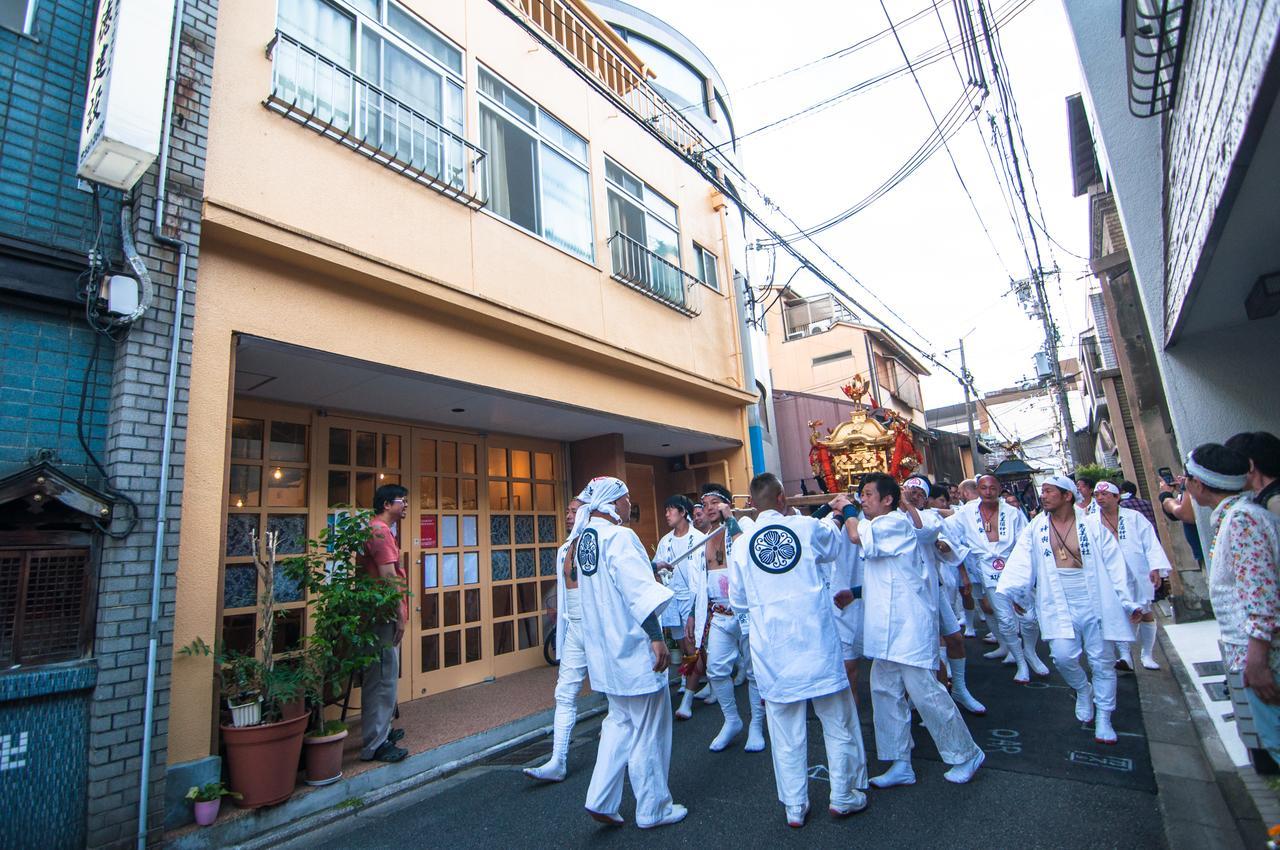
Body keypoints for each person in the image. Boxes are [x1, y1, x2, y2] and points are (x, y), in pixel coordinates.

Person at [726, 473, 869, 826]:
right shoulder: (804, 527)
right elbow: (834, 547)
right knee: (837, 720)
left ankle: (794, 805)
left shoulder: (741, 545)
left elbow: (738, 600)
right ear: (781, 499)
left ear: (753, 505)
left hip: (773, 650)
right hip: (815, 643)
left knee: (785, 730)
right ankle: (844, 795)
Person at [838, 474, 984, 790]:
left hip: (909, 625)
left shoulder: (892, 523)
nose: (862, 499)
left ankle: (966, 754)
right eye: (860, 495)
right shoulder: (886, 524)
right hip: (886, 627)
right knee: (884, 692)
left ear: (887, 500)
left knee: (926, 693)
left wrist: (846, 510)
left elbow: (855, 536)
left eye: (867, 494)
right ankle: (900, 762)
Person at [569, 476, 686, 829]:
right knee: (649, 727)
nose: (628, 504)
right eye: (625, 498)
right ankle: (653, 808)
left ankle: (601, 799)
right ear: (611, 502)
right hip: (632, 649)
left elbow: (612, 581)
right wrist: (656, 637)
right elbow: (637, 593)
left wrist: (647, 569)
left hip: (605, 652)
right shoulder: (620, 536)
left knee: (619, 722)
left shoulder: (585, 537)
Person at [996, 475, 1141, 744]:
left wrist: (1128, 601)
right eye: (1044, 491)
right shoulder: (1037, 527)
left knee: (1102, 661)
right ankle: (1083, 690)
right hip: (1057, 598)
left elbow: (1115, 564)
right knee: (1062, 657)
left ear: (1067, 496)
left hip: (1095, 598)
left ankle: (1105, 717)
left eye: (1050, 491)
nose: (1044, 496)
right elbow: (1020, 562)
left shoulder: (1092, 525)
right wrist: (1017, 591)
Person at [1186, 443, 1280, 765]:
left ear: (1198, 484)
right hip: (1255, 649)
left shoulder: (1241, 520)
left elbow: (1260, 595)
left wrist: (1257, 661)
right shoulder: (1238, 514)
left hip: (1265, 653)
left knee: (1275, 739)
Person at [686, 483, 765, 752]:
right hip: (718, 613)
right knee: (716, 669)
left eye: (713, 502)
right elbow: (700, 582)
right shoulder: (703, 538)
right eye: (703, 503)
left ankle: (756, 723)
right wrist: (693, 616)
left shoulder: (741, 525)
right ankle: (732, 720)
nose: (707, 507)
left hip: (744, 612)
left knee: (755, 672)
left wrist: (730, 518)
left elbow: (746, 548)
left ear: (726, 504)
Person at [901, 477, 985, 715]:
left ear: (925, 498)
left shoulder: (930, 516)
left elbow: (935, 535)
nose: (914, 496)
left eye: (919, 493)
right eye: (910, 491)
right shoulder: (893, 518)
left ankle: (958, 687)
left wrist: (945, 546)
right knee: (919, 647)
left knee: (955, 639)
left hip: (932, 588)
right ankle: (920, 699)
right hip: (906, 592)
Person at [952, 474, 1045, 683]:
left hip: (1014, 568)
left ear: (998, 489)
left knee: (1029, 617)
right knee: (1005, 619)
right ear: (978, 490)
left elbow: (1026, 541)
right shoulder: (967, 512)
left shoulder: (1012, 513)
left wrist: (1025, 569)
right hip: (987, 570)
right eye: (983, 488)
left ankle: (1030, 651)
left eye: (992, 488)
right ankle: (1020, 661)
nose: (987, 492)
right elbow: (947, 530)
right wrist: (947, 546)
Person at [524, 498, 586, 781]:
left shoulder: (600, 543)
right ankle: (557, 759)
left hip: (600, 627)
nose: (568, 516)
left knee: (617, 693)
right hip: (574, 627)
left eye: (573, 511)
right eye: (568, 511)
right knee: (565, 692)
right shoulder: (564, 550)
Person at [1094, 481, 1171, 671]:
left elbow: (1150, 543)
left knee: (1145, 611)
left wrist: (1156, 567)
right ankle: (1125, 656)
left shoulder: (1134, 517)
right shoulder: (1090, 521)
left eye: (1104, 494)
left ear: (1116, 497)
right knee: (1115, 614)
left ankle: (1147, 654)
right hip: (1108, 573)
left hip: (1136, 571)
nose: (1100, 498)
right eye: (1097, 495)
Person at [358, 484, 410, 763]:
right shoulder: (379, 531)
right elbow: (389, 578)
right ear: (388, 503)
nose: (406, 506)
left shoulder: (380, 530)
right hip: (382, 614)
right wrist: (400, 615)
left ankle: (382, 731)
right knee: (381, 677)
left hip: (378, 612)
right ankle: (375, 744)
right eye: (403, 501)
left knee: (384, 675)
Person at [656, 495, 709, 720]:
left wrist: (695, 610)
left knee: (691, 648)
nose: (667, 514)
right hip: (672, 600)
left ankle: (687, 698)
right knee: (688, 647)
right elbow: (658, 571)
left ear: (683, 512)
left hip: (691, 599)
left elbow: (702, 578)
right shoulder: (665, 541)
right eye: (666, 510)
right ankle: (712, 680)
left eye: (671, 510)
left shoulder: (698, 539)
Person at [1226, 431, 1280, 518]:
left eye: (1233, 466)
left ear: (1250, 465)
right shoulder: (1266, 498)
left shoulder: (1275, 503)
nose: (1229, 474)